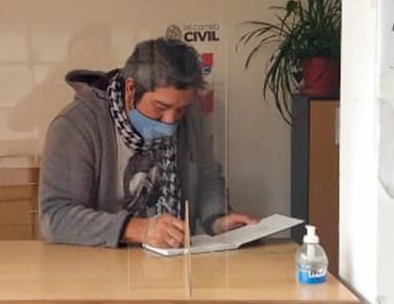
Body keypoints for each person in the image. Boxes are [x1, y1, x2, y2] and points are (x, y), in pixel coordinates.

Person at [39, 37, 256, 248]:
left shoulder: (192, 116)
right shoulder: (77, 125)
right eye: (160, 107)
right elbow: (56, 217)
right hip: (101, 264)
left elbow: (206, 177)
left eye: (180, 110)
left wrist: (218, 218)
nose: (170, 122)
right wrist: (138, 229)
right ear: (130, 90)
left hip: (175, 258)